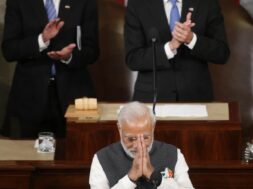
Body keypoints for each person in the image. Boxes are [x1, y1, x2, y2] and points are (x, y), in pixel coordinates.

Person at [1, 0, 99, 138]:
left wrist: (69, 57)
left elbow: (92, 51)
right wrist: (42, 40)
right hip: (30, 97)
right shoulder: (18, 2)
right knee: (28, 156)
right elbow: (9, 50)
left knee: (74, 154)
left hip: (73, 94)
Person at [124, 0, 230, 102]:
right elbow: (133, 58)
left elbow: (222, 53)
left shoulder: (206, 2)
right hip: (152, 99)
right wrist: (170, 47)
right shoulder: (137, 2)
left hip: (196, 98)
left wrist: (191, 39)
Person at [89, 102, 194, 189]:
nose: (138, 145)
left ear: (153, 128)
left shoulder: (174, 154)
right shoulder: (101, 158)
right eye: (131, 139)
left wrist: (155, 176)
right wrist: (130, 179)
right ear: (119, 129)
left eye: (145, 138)